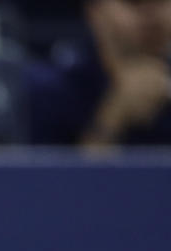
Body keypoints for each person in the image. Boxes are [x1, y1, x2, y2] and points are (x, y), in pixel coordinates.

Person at [28, 0, 171, 148]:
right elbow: (48, 170)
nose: (152, 14)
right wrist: (113, 118)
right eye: (134, 3)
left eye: (160, 2)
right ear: (95, 11)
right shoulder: (49, 91)